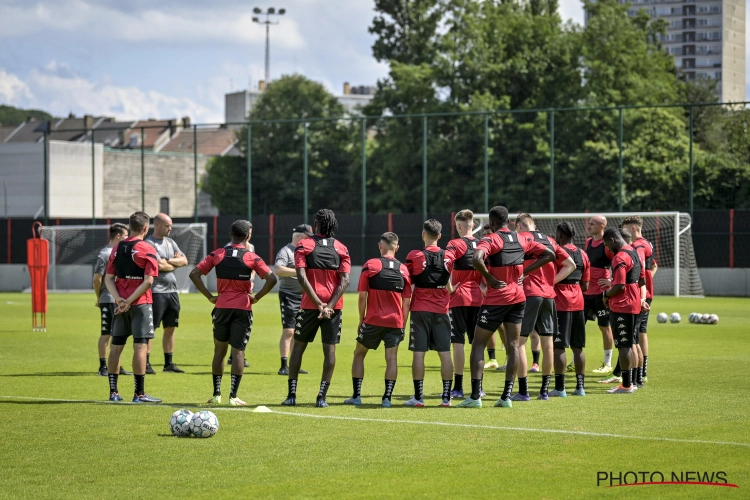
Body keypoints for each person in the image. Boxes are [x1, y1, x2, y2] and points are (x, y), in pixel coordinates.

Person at [457, 206, 556, 409]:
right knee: (513, 346)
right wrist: (525, 271)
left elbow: (476, 259)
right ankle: (506, 397)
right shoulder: (523, 239)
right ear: (509, 222)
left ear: (492, 223)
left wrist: (489, 278)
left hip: (496, 299)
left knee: (478, 345)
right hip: (518, 298)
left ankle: (475, 397)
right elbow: (549, 254)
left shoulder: (491, 239)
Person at [189, 220, 277, 406]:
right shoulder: (252, 257)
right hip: (243, 308)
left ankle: (216, 395)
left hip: (221, 307)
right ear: (248, 236)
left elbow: (194, 274)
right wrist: (257, 297)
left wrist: (209, 297)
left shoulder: (217, 254)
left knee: (219, 350)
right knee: (238, 351)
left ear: (230, 235)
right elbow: (272, 278)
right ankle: (233, 397)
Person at [282, 209, 351, 408]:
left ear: (316, 224)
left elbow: (301, 276)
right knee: (329, 350)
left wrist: (319, 304)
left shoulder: (304, 244)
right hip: (333, 308)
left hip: (309, 306)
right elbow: (345, 280)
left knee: (298, 347)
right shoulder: (341, 248)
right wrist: (328, 306)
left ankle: (292, 395)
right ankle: (321, 398)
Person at [344, 232, 411, 407]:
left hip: (373, 320)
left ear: (380, 246)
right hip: (395, 322)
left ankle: (356, 396)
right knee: (392, 359)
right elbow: (406, 302)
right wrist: (402, 324)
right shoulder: (404, 270)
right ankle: (387, 398)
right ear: (397, 248)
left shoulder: (370, 265)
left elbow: (362, 296)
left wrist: (361, 319)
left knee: (359, 354)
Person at [513, 214, 575, 401]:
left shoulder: (521, 239)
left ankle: (523, 392)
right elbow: (570, 265)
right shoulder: (549, 240)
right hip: (548, 296)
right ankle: (544, 391)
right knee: (548, 345)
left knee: (520, 343)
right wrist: (550, 282)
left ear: (517, 226)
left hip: (529, 294)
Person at [103, 212, 161, 403]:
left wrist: (119, 299)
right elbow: (148, 282)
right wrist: (129, 301)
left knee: (116, 346)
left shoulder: (117, 248)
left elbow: (108, 278)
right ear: (146, 228)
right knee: (140, 347)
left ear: (130, 226)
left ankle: (113, 392)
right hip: (140, 304)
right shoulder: (147, 248)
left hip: (119, 305)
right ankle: (139, 394)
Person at [404, 219, 455, 407]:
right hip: (442, 310)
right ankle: (446, 398)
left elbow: (407, 281)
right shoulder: (450, 256)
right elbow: (449, 283)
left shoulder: (414, 255)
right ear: (440, 236)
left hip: (420, 310)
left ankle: (418, 398)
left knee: (419, 354)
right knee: (445, 353)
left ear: (423, 234)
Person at [602, 228, 648, 394]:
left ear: (613, 240)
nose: (607, 248)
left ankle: (627, 385)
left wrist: (605, 294)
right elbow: (641, 279)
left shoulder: (620, 256)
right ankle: (634, 381)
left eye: (607, 244)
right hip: (634, 303)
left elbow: (619, 285)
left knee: (624, 345)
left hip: (622, 305)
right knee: (631, 343)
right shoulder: (634, 252)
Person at [446, 210, 483, 399]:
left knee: (458, 342)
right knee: (478, 344)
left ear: (459, 226)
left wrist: (450, 287)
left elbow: (444, 265)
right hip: (479, 299)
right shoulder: (483, 244)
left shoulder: (455, 243)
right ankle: (479, 387)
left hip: (459, 298)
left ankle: (458, 387)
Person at [145, 213, 188, 374]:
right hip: (156, 292)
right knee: (151, 329)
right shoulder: (149, 244)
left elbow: (184, 260)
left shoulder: (170, 242)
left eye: (171, 225)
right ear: (156, 225)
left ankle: (168, 364)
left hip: (172, 291)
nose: (170, 229)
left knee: (170, 327)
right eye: (167, 226)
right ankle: (146, 363)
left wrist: (168, 262)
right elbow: (158, 266)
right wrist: (173, 263)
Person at [552, 221, 590, 396]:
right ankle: (580, 387)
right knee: (578, 346)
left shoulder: (556, 252)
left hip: (561, 302)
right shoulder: (583, 254)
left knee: (559, 346)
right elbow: (586, 285)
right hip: (579, 301)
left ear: (560, 234)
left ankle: (560, 388)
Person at [273, 224, 312, 376]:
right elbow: (278, 269)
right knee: (289, 331)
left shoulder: (306, 252)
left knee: (299, 332)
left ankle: (294, 364)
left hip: (304, 296)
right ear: (299, 236)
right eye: (308, 237)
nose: (310, 241)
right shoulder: (286, 251)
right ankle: (283, 365)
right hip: (288, 295)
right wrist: (299, 272)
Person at [93, 223, 131, 376]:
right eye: (126, 235)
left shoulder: (121, 252)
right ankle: (103, 366)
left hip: (119, 300)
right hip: (108, 299)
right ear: (118, 236)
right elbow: (97, 279)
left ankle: (116, 365)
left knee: (118, 334)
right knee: (106, 333)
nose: (128, 238)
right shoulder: (105, 254)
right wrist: (99, 298)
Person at [624, 216, 657, 383]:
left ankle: (636, 375)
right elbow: (654, 266)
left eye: (625, 229)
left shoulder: (638, 246)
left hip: (639, 294)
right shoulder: (648, 243)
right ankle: (641, 372)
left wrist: (640, 294)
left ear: (633, 229)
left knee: (634, 335)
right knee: (641, 331)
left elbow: (641, 269)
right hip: (646, 292)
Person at [583, 215, 616, 374]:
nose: (589, 226)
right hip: (586, 293)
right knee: (577, 326)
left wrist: (613, 282)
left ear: (602, 226)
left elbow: (619, 263)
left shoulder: (606, 245)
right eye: (589, 223)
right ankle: (576, 360)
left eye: (592, 224)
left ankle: (607, 363)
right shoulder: (588, 242)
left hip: (601, 295)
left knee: (604, 327)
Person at [227, 224, 256, 368]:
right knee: (236, 326)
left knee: (240, 328)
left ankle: (237, 355)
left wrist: (252, 280)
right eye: (248, 232)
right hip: (234, 294)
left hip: (245, 290)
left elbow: (254, 266)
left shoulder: (251, 248)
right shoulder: (229, 248)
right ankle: (236, 355)